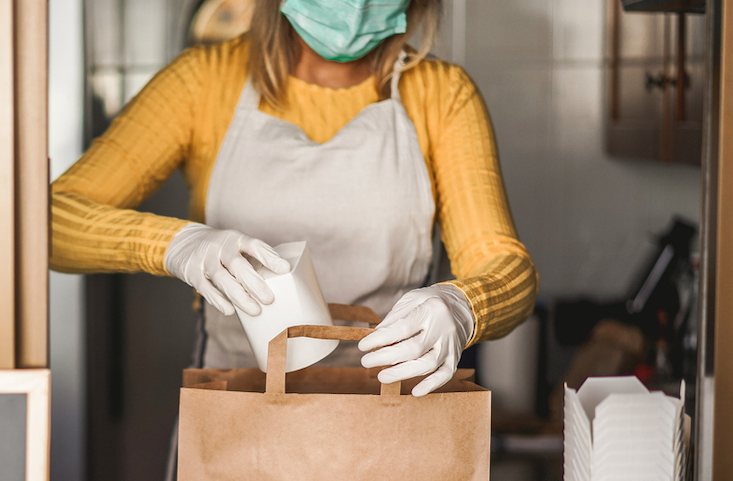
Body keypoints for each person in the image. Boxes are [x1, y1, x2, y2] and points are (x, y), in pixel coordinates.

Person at [50, 0, 537, 395]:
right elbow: (49, 224)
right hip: (235, 406)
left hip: (388, 405)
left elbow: (505, 266)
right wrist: (175, 244)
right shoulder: (203, 81)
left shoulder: (442, 94)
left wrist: (463, 305)